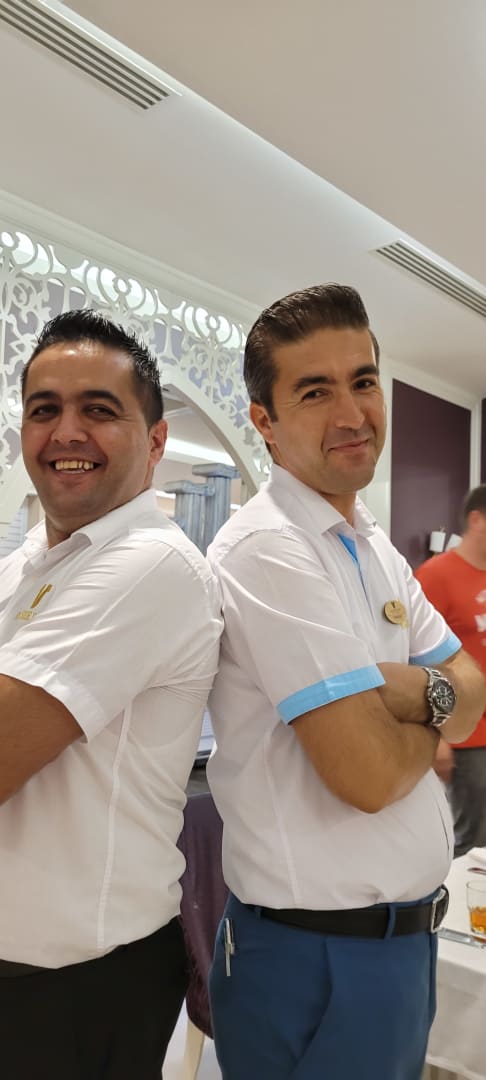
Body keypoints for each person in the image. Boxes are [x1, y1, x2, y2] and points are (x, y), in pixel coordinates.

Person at [205, 284, 485, 1080]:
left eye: (363, 381)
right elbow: (365, 774)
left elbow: (472, 691)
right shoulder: (269, 550)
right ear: (264, 422)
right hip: (316, 960)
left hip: (396, 947)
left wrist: (407, 695)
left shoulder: (371, 545)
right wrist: (434, 707)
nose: (352, 412)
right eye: (315, 391)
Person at [0, 309, 222, 1079]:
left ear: (155, 441)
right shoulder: (26, 564)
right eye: (44, 409)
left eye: (98, 409)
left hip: (76, 988)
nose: (66, 432)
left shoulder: (152, 565)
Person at [416, 486, 486, 856]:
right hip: (465, 735)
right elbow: (414, 658)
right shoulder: (436, 576)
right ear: (477, 520)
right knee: (472, 840)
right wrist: (436, 735)